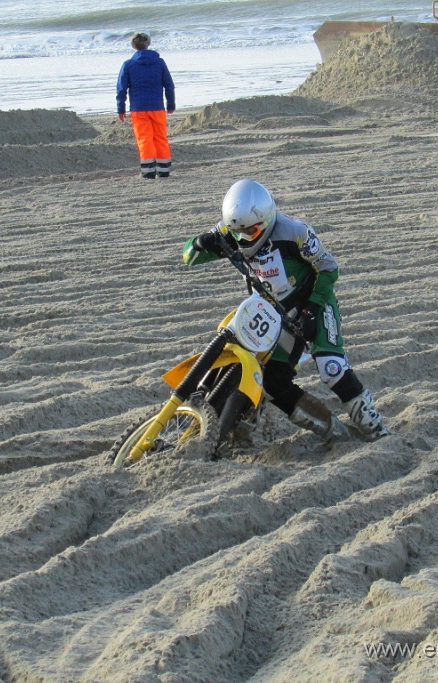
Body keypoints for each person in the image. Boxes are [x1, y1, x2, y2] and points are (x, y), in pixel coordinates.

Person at [182, 179, 389, 443]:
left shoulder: (294, 232)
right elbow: (188, 256)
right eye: (238, 233)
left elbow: (328, 268)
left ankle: (376, 430)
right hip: (272, 312)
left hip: (314, 303)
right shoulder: (234, 229)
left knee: (332, 367)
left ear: (266, 219)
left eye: (252, 231)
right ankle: (334, 432)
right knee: (272, 383)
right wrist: (198, 244)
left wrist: (311, 309)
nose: (244, 238)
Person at [116, 32, 175, 179]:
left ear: (133, 46)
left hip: (138, 108)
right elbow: (169, 85)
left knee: (144, 139)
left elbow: (121, 88)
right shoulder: (159, 62)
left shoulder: (128, 64)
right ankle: (164, 170)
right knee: (160, 137)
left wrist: (120, 108)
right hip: (157, 106)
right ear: (148, 43)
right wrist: (171, 104)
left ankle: (148, 171)